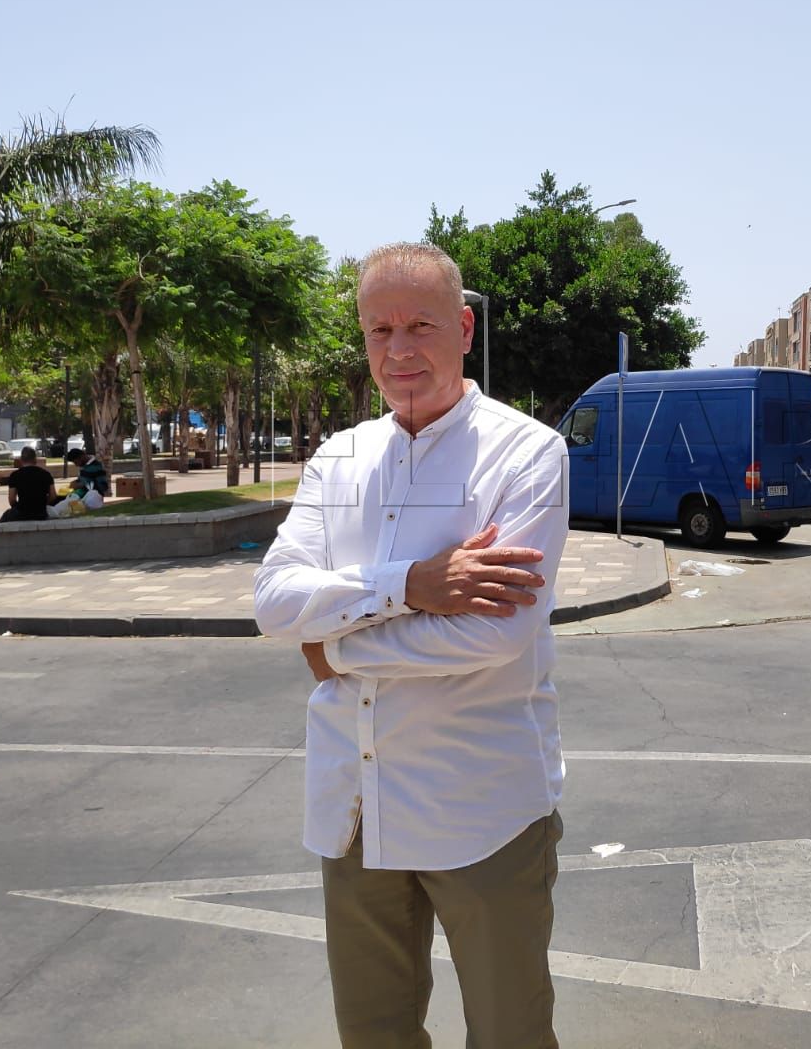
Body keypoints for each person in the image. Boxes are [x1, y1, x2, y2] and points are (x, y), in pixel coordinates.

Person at [254, 242, 568, 1049]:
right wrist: (410, 586)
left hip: (480, 807)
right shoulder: (340, 458)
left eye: (421, 325)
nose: (398, 351)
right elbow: (274, 602)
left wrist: (336, 649)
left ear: (463, 328)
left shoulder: (525, 452)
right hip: (355, 809)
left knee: (510, 1034)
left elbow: (494, 633)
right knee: (374, 1035)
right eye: (378, 329)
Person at [0, 446, 58, 557]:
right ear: (35, 459)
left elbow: (11, 499)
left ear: (21, 460)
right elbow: (53, 496)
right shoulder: (45, 474)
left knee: (5, 516)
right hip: (40, 512)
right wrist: (43, 503)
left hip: (22, 512)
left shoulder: (15, 475)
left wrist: (18, 507)